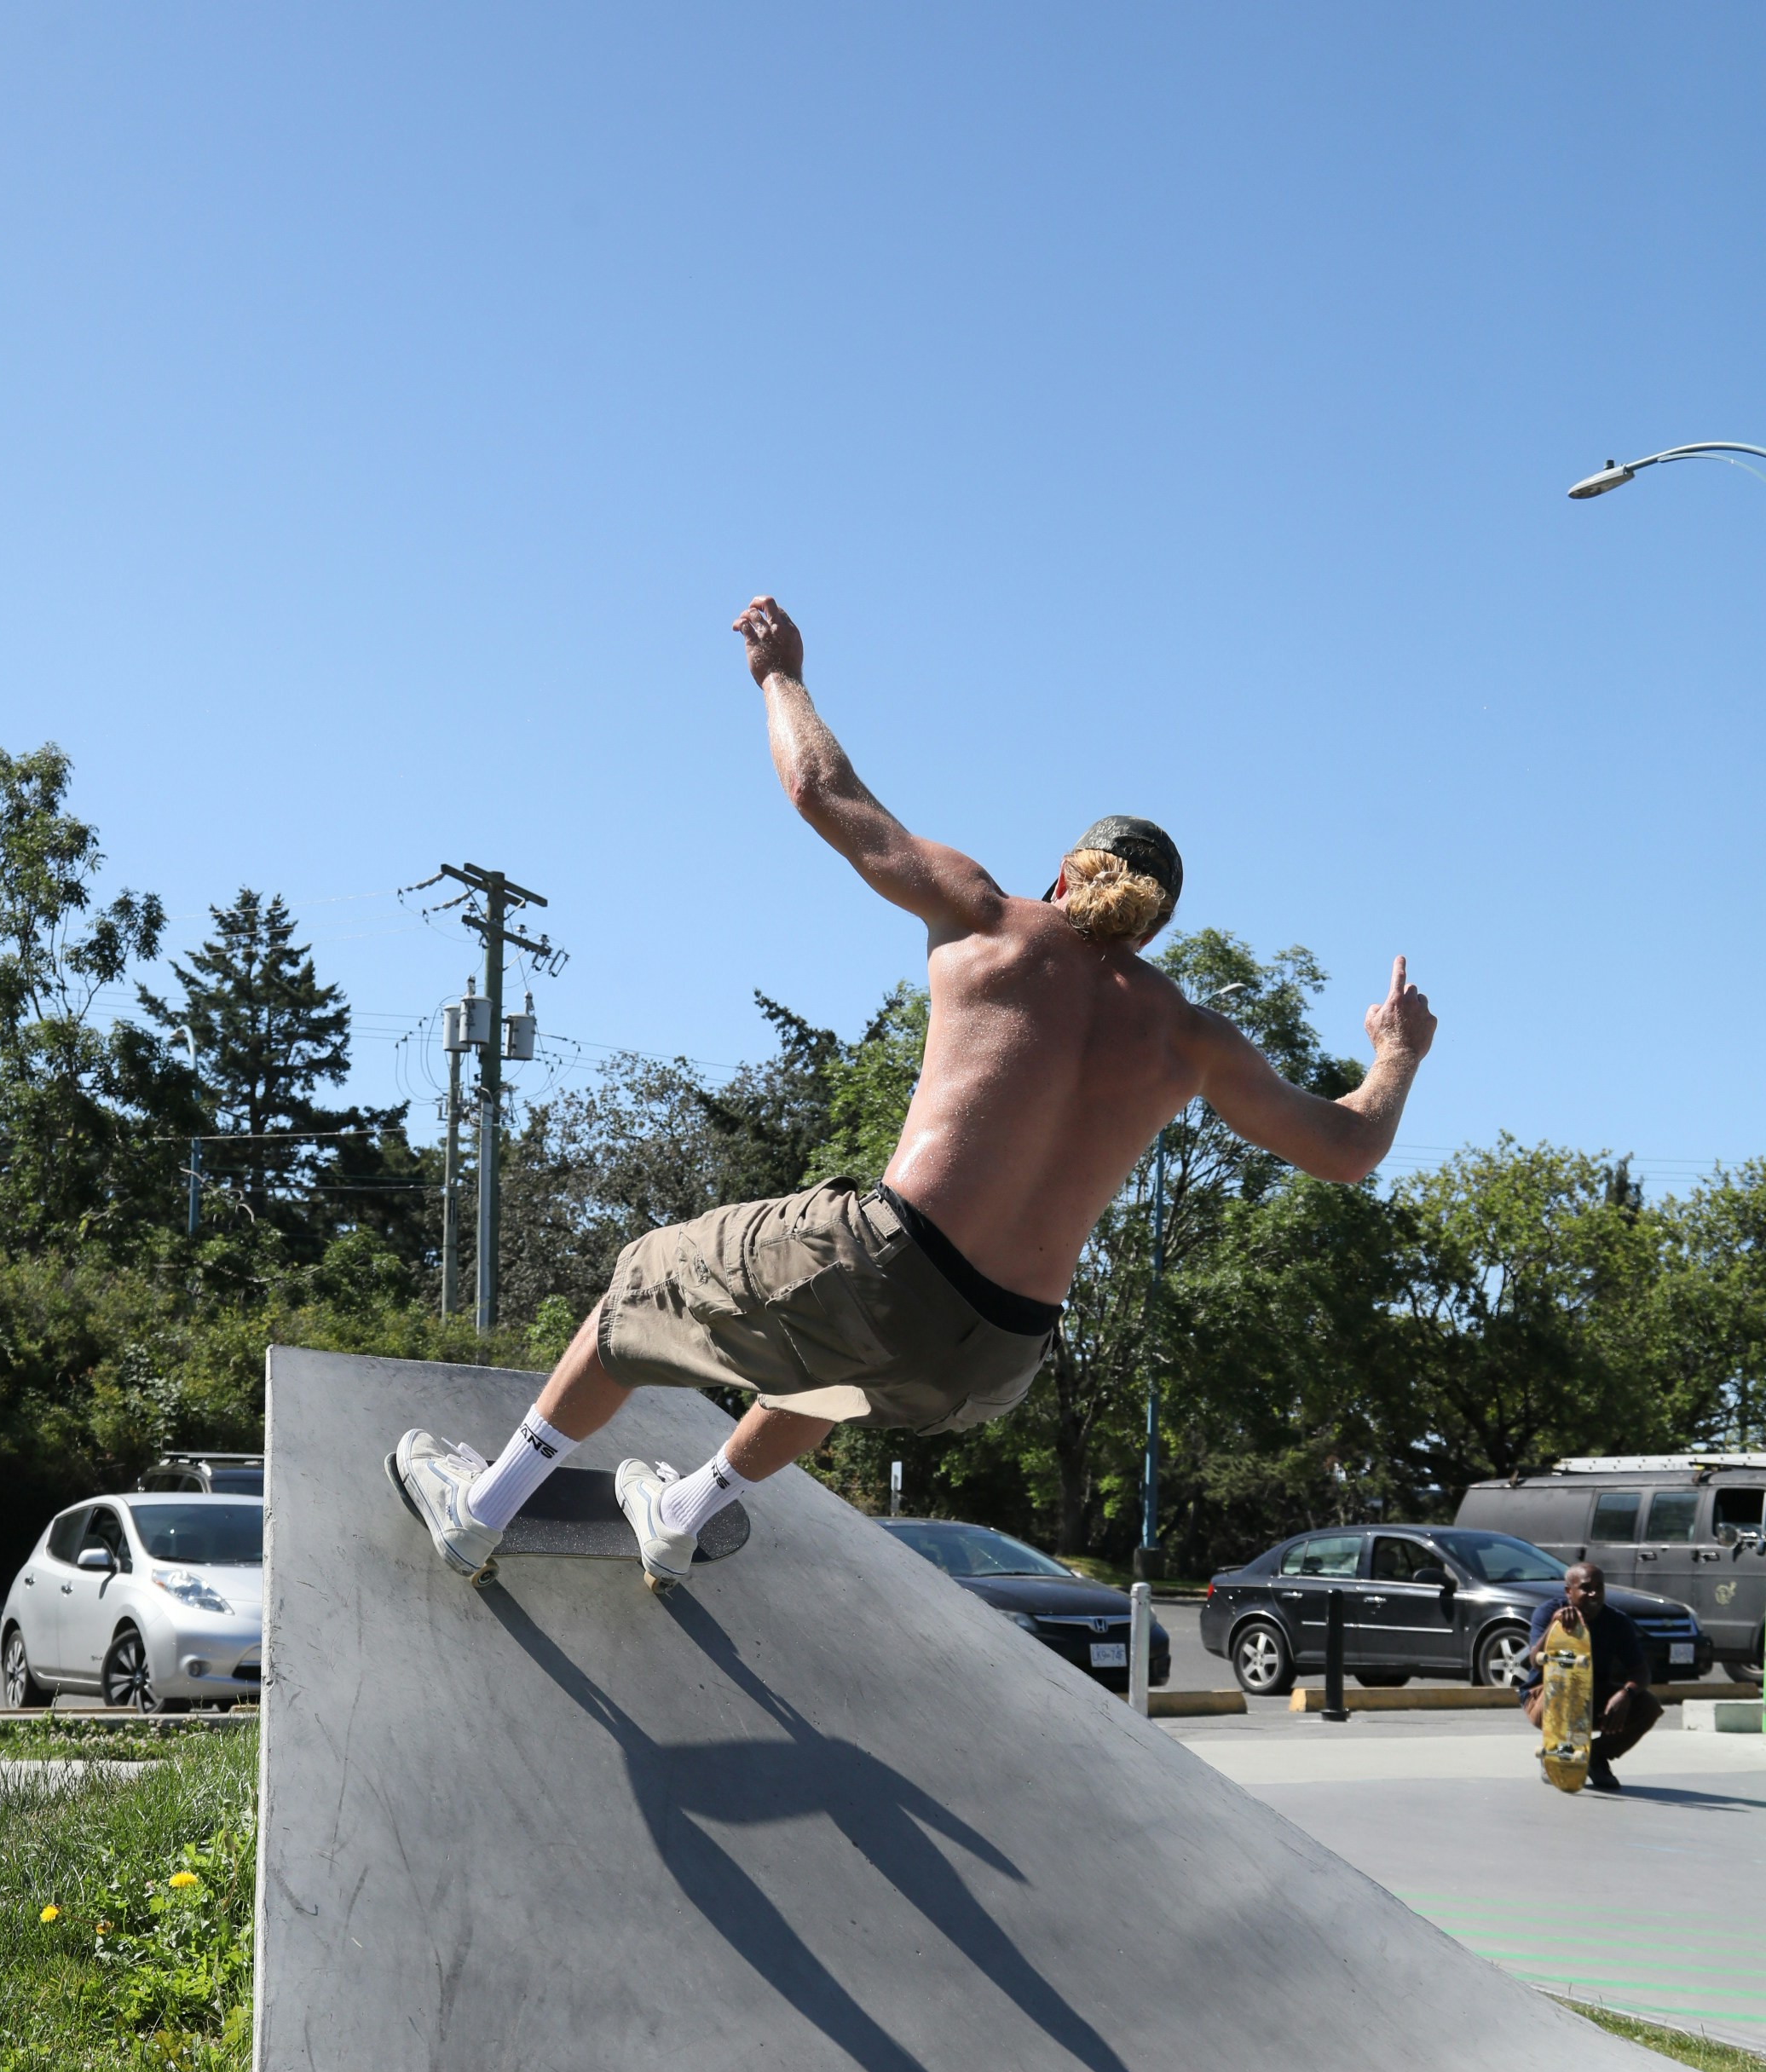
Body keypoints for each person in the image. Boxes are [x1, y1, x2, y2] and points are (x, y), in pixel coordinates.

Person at [392, 595, 1439, 1590]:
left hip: (891, 1267)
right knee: (838, 1373)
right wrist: (1394, 1054)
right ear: (1157, 925)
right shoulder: (1193, 1038)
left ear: (1066, 877)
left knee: (641, 1285)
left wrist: (780, 678)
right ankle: (680, 1517)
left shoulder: (992, 918)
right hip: (999, 1360)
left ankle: (482, 1507)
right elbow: (1348, 1149)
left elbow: (825, 794)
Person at [1521, 1561, 1661, 1792]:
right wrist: (1554, 1625)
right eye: (1586, 1588)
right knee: (1568, 1685)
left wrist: (1625, 1695)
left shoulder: (1617, 1621)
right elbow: (1534, 1660)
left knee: (1648, 1705)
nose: (1594, 1593)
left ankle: (1595, 1756)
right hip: (1542, 1696)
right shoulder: (1547, 1612)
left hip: (1592, 1694)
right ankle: (1556, 1752)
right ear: (1569, 1591)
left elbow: (1641, 1672)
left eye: (1600, 1587)